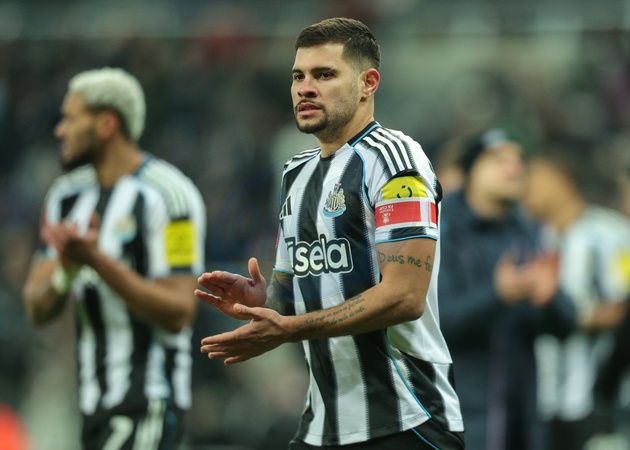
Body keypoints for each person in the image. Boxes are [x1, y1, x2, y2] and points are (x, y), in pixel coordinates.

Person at [195, 17, 465, 449]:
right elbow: (296, 289)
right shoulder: (295, 174)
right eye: (298, 76)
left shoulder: (397, 161)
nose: (305, 88)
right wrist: (263, 301)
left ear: (367, 84)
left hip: (407, 419)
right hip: (323, 425)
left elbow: (405, 296)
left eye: (324, 75)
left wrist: (290, 328)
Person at [22, 67, 207, 450]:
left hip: (150, 400)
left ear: (107, 124)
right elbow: (36, 308)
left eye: (71, 119)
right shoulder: (65, 198)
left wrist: (97, 261)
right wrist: (67, 270)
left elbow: (179, 311)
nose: (60, 130)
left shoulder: (170, 195)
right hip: (91, 406)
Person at [437, 128, 576, 450]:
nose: (514, 168)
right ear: (471, 170)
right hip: (462, 416)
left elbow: (567, 324)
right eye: (499, 160)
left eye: (518, 160)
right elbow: (436, 322)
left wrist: (550, 299)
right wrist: (497, 295)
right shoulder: (442, 231)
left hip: (525, 416)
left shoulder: (528, 231)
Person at [524, 139, 630, 450]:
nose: (526, 188)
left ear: (562, 180)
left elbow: (622, 309)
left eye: (535, 178)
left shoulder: (612, 232)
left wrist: (565, 315)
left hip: (596, 395)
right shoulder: (531, 237)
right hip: (544, 398)